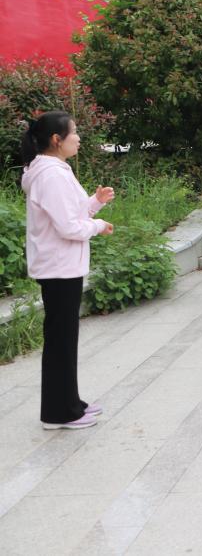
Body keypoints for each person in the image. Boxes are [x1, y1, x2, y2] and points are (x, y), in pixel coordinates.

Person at [21, 111, 115, 430]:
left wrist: (95, 203)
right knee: (61, 340)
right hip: (58, 267)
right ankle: (58, 413)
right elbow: (68, 227)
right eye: (73, 132)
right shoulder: (50, 175)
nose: (78, 138)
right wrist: (98, 225)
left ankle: (69, 403)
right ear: (56, 139)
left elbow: (70, 213)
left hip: (61, 265)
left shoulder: (54, 169)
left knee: (64, 338)